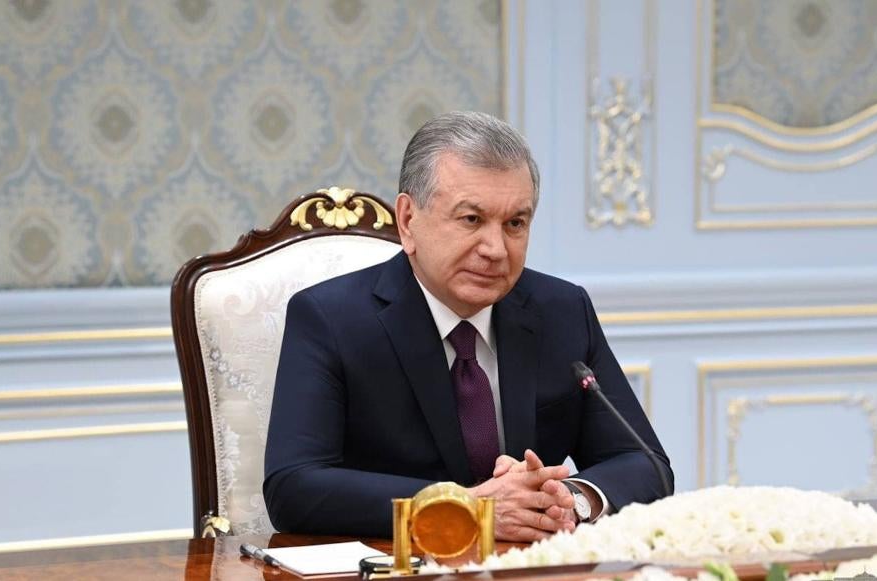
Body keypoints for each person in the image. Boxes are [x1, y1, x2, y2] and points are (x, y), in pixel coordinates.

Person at [264, 111, 672, 541]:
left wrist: (567, 498)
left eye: (515, 224)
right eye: (472, 220)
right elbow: (293, 487)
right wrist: (467, 507)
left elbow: (646, 464)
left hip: (530, 564)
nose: (496, 249)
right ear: (408, 220)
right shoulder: (330, 319)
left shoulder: (562, 311)